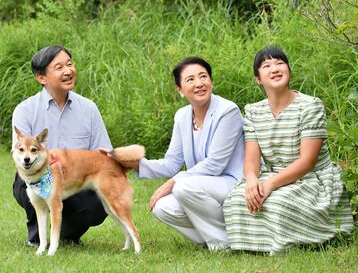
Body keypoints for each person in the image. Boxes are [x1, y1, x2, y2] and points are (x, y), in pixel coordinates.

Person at [223, 46, 354, 255]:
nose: (274, 68)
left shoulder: (310, 106)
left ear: (289, 72)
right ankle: (255, 246)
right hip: (273, 174)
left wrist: (270, 185)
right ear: (258, 78)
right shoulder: (253, 111)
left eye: (280, 63)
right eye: (266, 66)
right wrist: (252, 181)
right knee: (235, 201)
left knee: (278, 204)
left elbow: (307, 162)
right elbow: (251, 161)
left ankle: (303, 238)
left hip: (312, 178)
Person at [114, 57, 244, 251]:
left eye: (203, 77)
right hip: (202, 186)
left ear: (211, 81)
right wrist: (136, 164)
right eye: (190, 80)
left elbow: (216, 163)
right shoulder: (182, 116)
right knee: (162, 207)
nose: (199, 83)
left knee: (182, 187)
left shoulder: (228, 111)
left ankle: (221, 244)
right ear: (180, 90)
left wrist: (173, 181)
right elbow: (172, 162)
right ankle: (219, 238)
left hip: (234, 183)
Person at [12, 45, 113, 246]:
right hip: (35, 174)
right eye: (59, 67)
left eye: (69, 64)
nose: (68, 71)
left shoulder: (89, 109)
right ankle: (37, 236)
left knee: (97, 204)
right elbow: (18, 153)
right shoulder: (25, 110)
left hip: (76, 180)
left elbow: (103, 153)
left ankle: (66, 235)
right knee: (32, 186)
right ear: (42, 78)